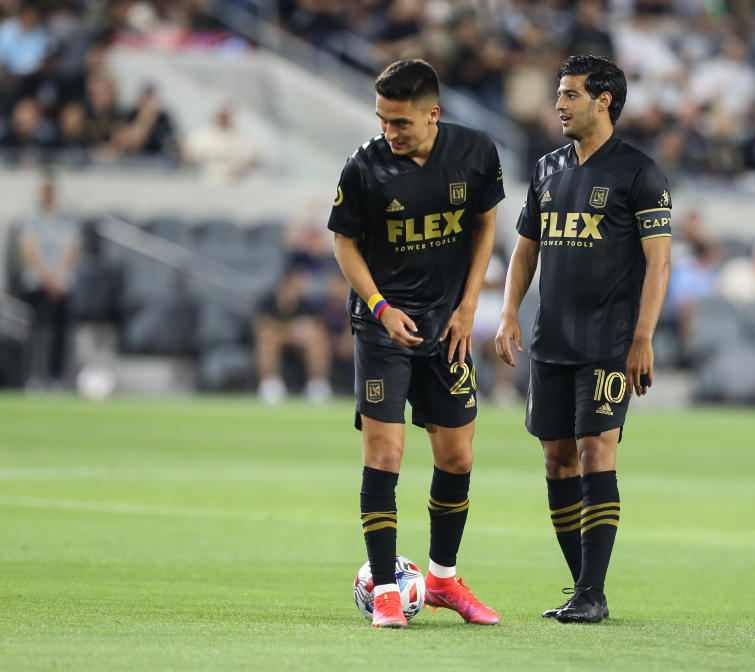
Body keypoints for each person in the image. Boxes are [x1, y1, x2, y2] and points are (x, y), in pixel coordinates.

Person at [327, 59, 503, 629]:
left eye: (400, 122)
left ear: (433, 113)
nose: (389, 133)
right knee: (386, 454)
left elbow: (485, 224)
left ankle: (443, 580)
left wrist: (469, 307)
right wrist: (380, 306)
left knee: (457, 455)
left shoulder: (477, 153)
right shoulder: (363, 167)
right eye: (382, 120)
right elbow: (345, 244)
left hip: (445, 326)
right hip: (382, 327)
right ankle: (384, 589)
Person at [496, 55, 672, 624]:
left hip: (608, 343)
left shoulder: (639, 173)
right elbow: (526, 250)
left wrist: (643, 336)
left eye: (571, 94)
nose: (559, 104)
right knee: (556, 461)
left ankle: (592, 593)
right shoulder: (546, 169)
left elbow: (659, 263)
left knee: (598, 449)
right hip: (552, 341)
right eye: (559, 93)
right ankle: (582, 587)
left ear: (604, 101)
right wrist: (509, 314)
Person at [18, 177, 80, 387]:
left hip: (62, 284)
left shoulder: (67, 219)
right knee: (34, 331)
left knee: (61, 332)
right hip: (38, 283)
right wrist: (46, 277)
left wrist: (59, 277)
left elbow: (72, 250)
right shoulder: (32, 219)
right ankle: (33, 376)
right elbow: (29, 249)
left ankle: (57, 377)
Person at [253, 262, 334, 405]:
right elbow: (261, 328)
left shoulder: (306, 304)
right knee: (267, 341)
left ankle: (317, 386)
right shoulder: (268, 301)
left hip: (300, 345)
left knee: (318, 342)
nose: (302, 287)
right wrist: (290, 331)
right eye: (299, 282)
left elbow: (317, 329)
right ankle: (271, 385)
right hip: (276, 343)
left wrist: (299, 333)